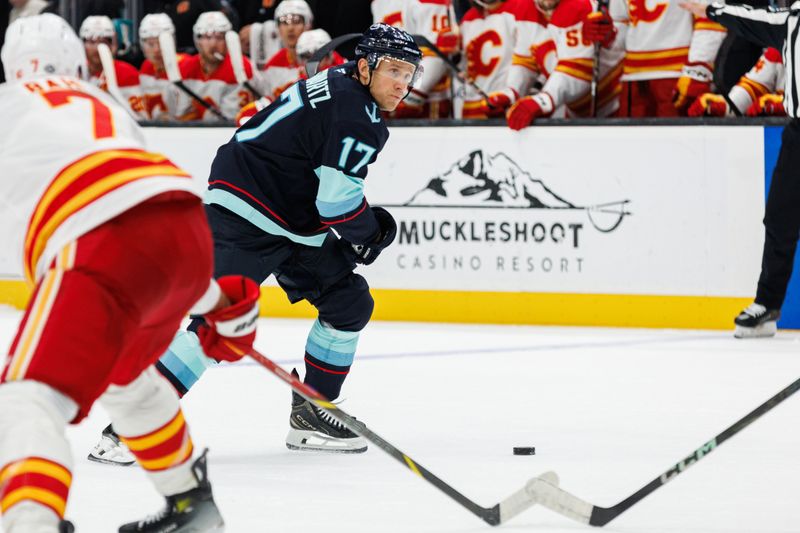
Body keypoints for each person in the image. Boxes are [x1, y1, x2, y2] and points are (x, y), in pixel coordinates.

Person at [90, 22, 423, 461]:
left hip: (287, 214)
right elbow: (338, 206)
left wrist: (359, 231)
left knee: (348, 303)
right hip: (246, 211)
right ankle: (133, 426)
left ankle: (312, 411)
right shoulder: (358, 116)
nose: (403, 83)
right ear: (364, 67)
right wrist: (371, 234)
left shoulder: (339, 82)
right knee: (220, 323)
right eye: (394, 70)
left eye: (410, 73)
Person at [0, 13, 260, 533]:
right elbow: (148, 225)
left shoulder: (10, 104)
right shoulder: (105, 105)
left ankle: (30, 524)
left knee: (28, 396)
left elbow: (116, 226)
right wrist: (214, 302)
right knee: (126, 379)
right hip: (185, 232)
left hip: (101, 243)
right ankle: (192, 504)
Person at [681, 0, 799, 338]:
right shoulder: (791, 20)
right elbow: (749, 18)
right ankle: (767, 303)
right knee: (779, 217)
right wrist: (711, 9)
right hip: (799, 134)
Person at [583, 0, 727, 117]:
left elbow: (710, 17)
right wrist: (607, 34)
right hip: (633, 80)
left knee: (680, 147)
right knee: (631, 148)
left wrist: (697, 71)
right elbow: (623, 24)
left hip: (677, 79)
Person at [176, 10, 255, 121]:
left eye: (219, 37)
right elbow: (181, 117)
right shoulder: (185, 68)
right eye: (207, 37)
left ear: (227, 41)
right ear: (197, 41)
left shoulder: (241, 67)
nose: (213, 44)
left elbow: (231, 121)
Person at [79, 15, 145, 118]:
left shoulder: (127, 73)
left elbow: (140, 117)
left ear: (113, 45)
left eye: (103, 42)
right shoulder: (75, 71)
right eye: (91, 42)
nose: (97, 48)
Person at [139, 13, 185, 120]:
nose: (156, 50)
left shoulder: (187, 65)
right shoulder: (146, 66)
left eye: (161, 43)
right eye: (151, 44)